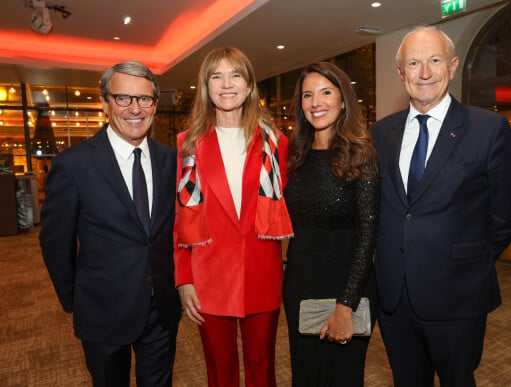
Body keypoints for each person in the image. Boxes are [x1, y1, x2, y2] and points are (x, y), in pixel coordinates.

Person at [370, 25, 511, 386]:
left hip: (458, 296)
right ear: (401, 73)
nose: (424, 72)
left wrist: (466, 258)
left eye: (434, 60)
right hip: (395, 298)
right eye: (414, 63)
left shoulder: (489, 129)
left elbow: (507, 214)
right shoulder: (381, 133)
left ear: (452, 67)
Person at [39, 61, 181, 386]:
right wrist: (76, 299)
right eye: (123, 98)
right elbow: (55, 244)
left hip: (162, 309)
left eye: (144, 99)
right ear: (105, 103)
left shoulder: (171, 160)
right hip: (101, 313)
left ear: (155, 105)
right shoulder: (72, 165)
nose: (135, 109)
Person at [174, 47, 293, 387]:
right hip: (208, 280)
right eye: (217, 76)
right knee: (220, 373)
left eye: (235, 75)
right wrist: (184, 278)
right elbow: (178, 218)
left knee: (262, 370)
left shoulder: (276, 142)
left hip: (262, 273)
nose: (227, 84)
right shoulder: (188, 145)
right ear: (206, 86)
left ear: (249, 84)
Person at [282, 61, 380, 386]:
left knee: (342, 378)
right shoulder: (296, 154)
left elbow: (367, 237)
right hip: (300, 285)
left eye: (325, 92)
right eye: (308, 95)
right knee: (305, 377)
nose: (315, 102)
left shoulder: (361, 154)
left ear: (343, 100)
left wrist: (345, 305)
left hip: (346, 287)